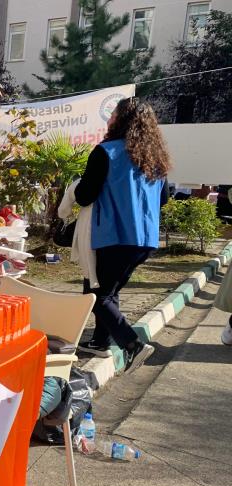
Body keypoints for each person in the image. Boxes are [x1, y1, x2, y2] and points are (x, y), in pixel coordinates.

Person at [74, 97, 171, 374]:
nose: (109, 119)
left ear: (121, 120)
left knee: (96, 294)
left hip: (113, 235)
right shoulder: (155, 159)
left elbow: (84, 196)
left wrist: (75, 188)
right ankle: (100, 341)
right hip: (144, 239)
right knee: (110, 290)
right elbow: (164, 198)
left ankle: (132, 344)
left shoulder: (105, 152)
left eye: (113, 115)